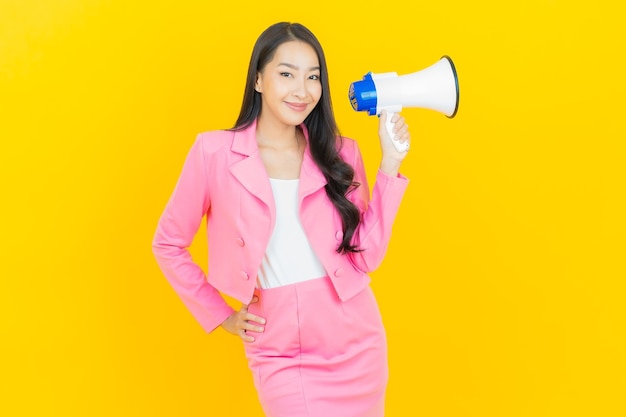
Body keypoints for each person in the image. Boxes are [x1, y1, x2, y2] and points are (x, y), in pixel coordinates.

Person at [152, 22, 410, 417]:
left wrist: (390, 164)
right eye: (286, 74)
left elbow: (366, 256)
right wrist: (220, 315)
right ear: (258, 79)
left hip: (356, 340)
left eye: (313, 77)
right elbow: (168, 243)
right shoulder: (213, 153)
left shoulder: (341, 153)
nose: (301, 90)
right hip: (279, 348)